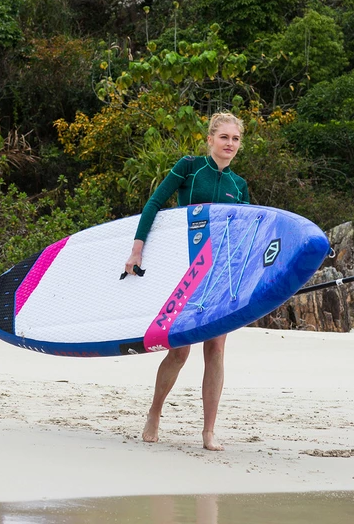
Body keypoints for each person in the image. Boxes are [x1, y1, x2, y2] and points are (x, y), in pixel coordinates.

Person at [124, 111, 250, 451]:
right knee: (180, 350)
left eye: (235, 139)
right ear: (210, 139)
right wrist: (137, 251)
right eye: (224, 137)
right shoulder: (190, 168)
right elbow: (154, 204)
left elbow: (244, 235)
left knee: (217, 349)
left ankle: (209, 431)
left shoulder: (239, 186)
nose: (230, 144)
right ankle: (154, 411)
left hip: (220, 276)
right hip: (185, 270)